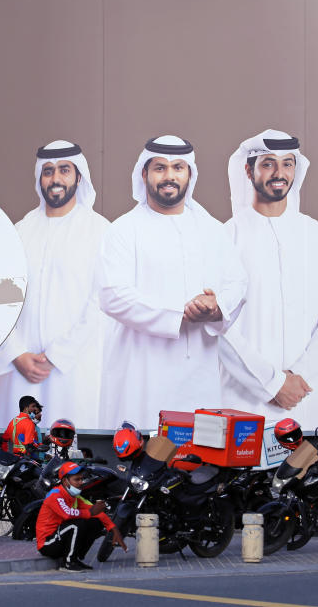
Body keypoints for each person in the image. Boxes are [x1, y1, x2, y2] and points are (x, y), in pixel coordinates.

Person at [97, 135, 248, 428]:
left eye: (178, 168)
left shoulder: (212, 230)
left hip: (198, 376)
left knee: (197, 461)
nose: (170, 176)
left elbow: (238, 283)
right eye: (160, 168)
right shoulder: (124, 230)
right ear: (144, 174)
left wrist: (216, 307)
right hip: (141, 376)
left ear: (189, 174)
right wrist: (180, 313)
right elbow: (112, 295)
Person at [219, 130, 318, 431]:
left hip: (305, 399)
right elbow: (219, 328)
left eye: (287, 164)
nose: (279, 173)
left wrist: (299, 377)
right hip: (243, 400)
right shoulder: (225, 238)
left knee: (306, 474)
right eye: (268, 164)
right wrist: (272, 383)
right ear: (248, 170)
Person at [0, 140, 111, 430]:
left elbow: (102, 304)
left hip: (74, 370)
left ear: (79, 177)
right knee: (18, 452)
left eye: (64, 170)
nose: (55, 179)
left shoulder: (100, 231)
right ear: (39, 178)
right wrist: (15, 353)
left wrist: (58, 355)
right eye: (48, 171)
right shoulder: (20, 230)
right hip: (20, 371)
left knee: (72, 455)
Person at [36, 461, 126, 571]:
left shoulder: (75, 497)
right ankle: (68, 563)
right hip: (47, 544)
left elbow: (97, 513)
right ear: (65, 481)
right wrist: (90, 513)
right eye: (76, 480)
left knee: (95, 523)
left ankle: (75, 558)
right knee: (77, 524)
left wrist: (113, 529)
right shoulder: (55, 495)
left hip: (60, 538)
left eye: (81, 479)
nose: (81, 483)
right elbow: (67, 514)